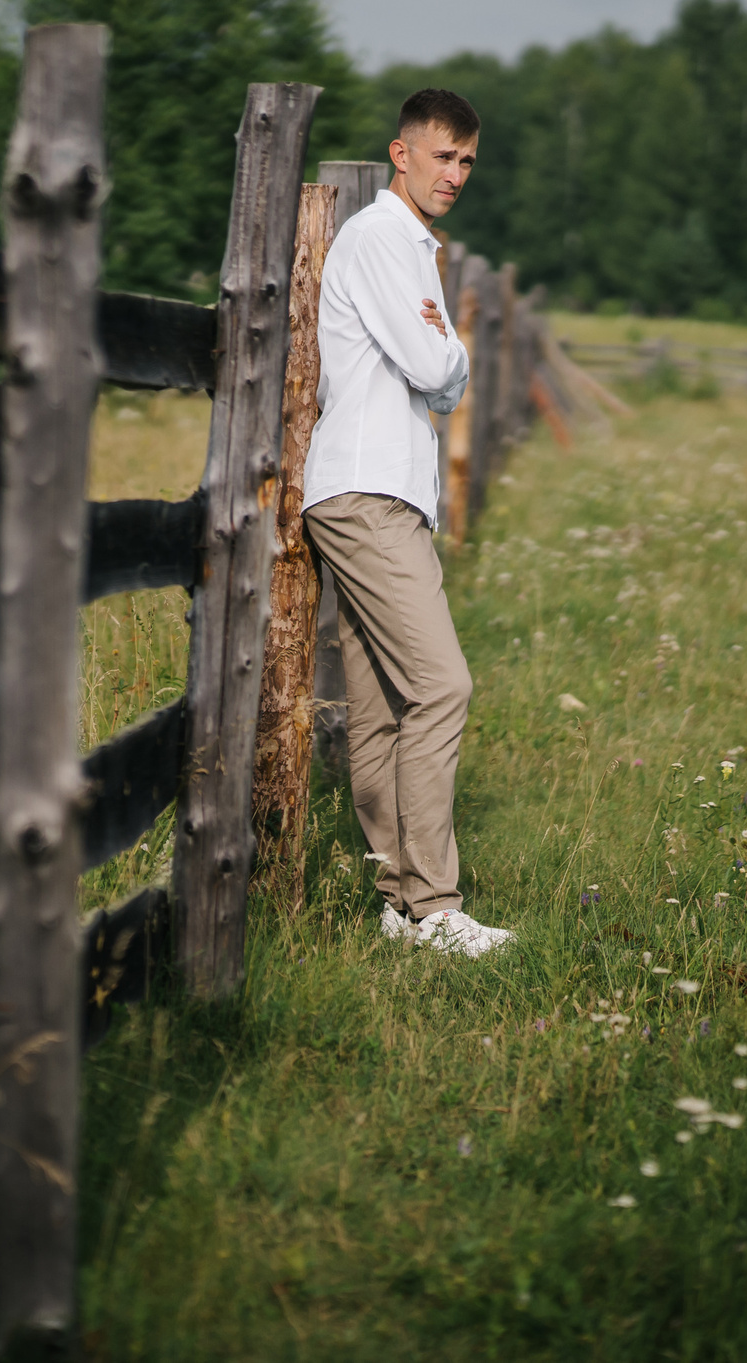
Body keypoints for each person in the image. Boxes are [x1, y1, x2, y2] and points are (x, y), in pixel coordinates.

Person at [301, 88, 514, 957]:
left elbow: (441, 374)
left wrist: (443, 358)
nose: (455, 173)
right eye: (441, 156)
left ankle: (396, 902)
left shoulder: (412, 247)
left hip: (381, 492)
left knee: (389, 704)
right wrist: (447, 351)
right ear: (400, 153)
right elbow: (437, 362)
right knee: (443, 686)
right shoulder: (382, 238)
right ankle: (434, 906)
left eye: (466, 160)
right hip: (366, 490)